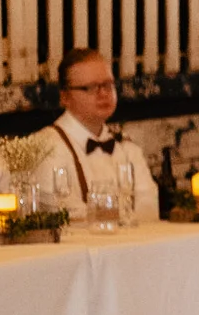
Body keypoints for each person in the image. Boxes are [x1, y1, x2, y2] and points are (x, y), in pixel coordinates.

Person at [37, 48, 161, 222]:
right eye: (90, 88)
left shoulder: (126, 147)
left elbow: (148, 208)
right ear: (65, 97)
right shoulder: (47, 147)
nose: (103, 94)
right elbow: (64, 214)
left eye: (108, 84)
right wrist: (123, 217)